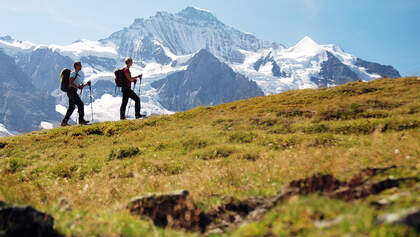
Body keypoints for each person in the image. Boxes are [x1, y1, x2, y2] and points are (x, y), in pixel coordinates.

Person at [61, 61, 91, 126]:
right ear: (76, 66)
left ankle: (64, 122)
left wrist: (86, 84)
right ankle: (81, 120)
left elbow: (78, 86)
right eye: (80, 65)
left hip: (71, 91)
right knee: (80, 104)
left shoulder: (75, 74)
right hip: (72, 91)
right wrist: (77, 87)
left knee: (72, 107)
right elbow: (70, 82)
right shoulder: (73, 73)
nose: (81, 66)